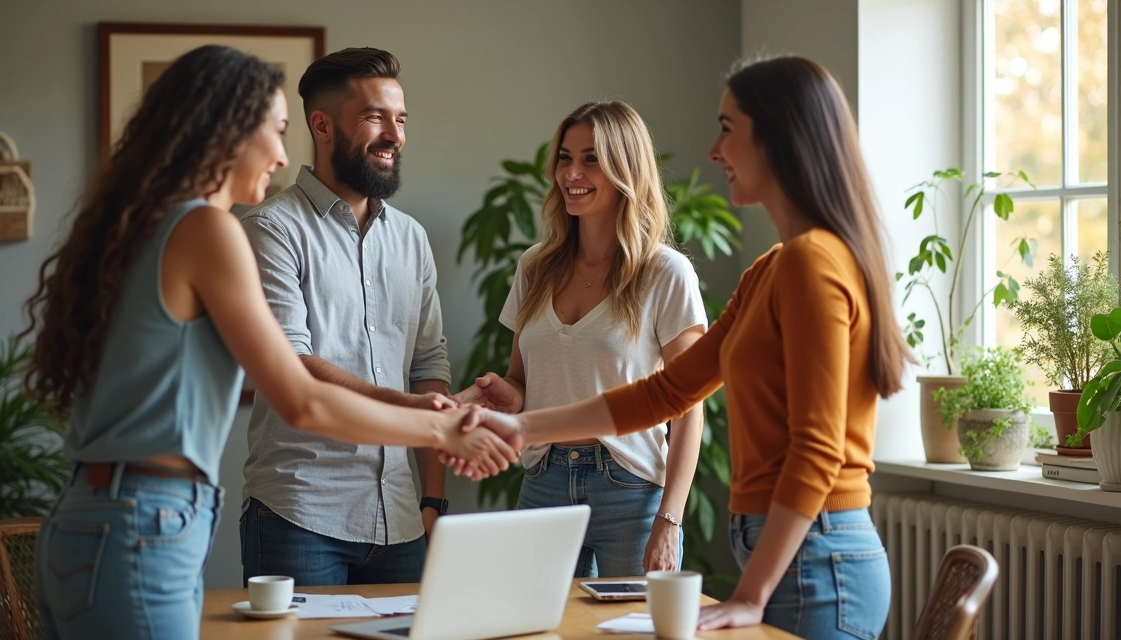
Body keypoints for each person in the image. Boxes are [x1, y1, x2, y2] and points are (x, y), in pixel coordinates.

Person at [22, 45, 514, 640]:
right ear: (226, 129)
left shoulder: (153, 226)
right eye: (275, 131)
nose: (283, 154)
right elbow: (300, 396)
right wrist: (440, 425)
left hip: (98, 520)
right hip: (143, 524)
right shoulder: (209, 228)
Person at [455, 55, 914, 638]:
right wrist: (524, 429)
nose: (714, 151)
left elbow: (818, 451)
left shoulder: (810, 263)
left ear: (778, 136)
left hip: (817, 558)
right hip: (787, 549)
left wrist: (748, 596)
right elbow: (668, 391)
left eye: (727, 129)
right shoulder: (773, 267)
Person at [453, 101, 706, 577]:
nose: (572, 172)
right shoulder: (535, 266)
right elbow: (521, 381)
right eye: (565, 158)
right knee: (536, 626)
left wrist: (669, 519)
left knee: (633, 631)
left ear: (626, 167)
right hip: (544, 480)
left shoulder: (666, 272)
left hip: (630, 487)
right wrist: (502, 394)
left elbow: (690, 406)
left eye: (591, 158)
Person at [237, 47, 454, 587]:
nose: (395, 135)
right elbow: (295, 363)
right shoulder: (271, 230)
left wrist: (433, 498)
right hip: (300, 516)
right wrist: (413, 406)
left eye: (400, 119)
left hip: (403, 519)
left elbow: (430, 365)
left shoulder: (411, 238)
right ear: (322, 124)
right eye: (375, 117)